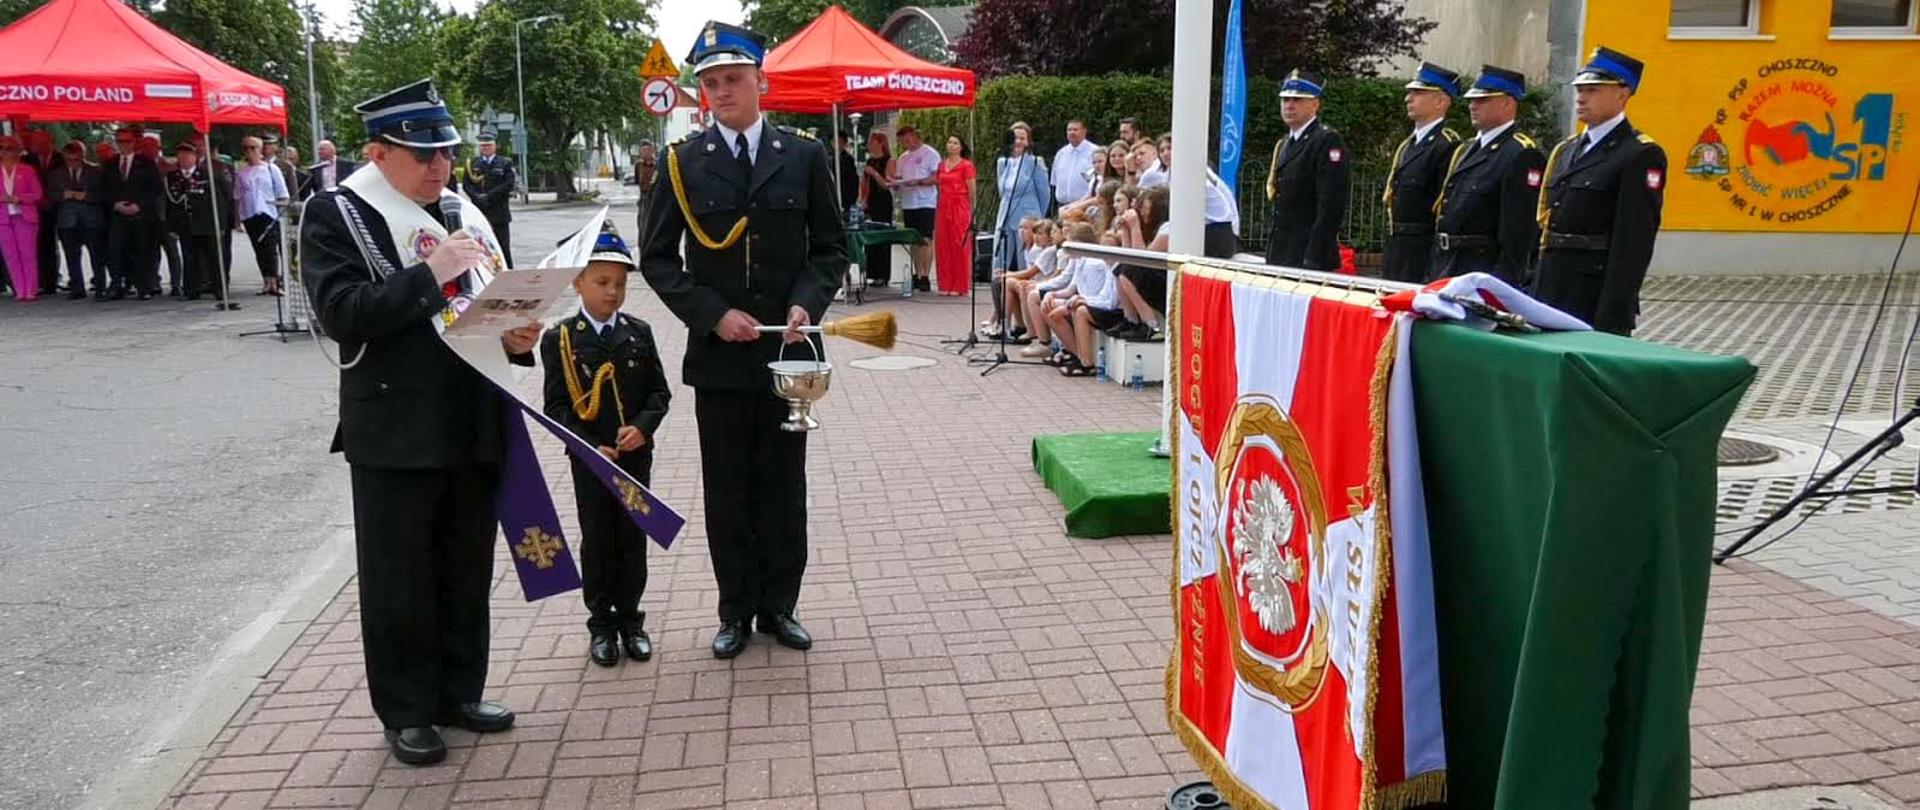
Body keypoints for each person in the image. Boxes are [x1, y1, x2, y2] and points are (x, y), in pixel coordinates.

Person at [301, 78, 539, 766]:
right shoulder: (338, 213)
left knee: (465, 566)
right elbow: (343, 313)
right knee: (400, 576)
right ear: (378, 152)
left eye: (445, 152)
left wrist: (521, 335)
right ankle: (407, 711)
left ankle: (460, 692)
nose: (439, 166)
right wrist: (431, 273)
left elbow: (496, 302)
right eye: (421, 154)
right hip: (397, 428)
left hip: (473, 414)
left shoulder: (465, 210)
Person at [637, 21, 846, 660]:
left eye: (733, 79)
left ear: (762, 82)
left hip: (789, 353)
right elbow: (658, 259)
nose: (722, 92)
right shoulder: (681, 163)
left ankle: (780, 606)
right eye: (710, 83)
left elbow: (831, 248)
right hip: (722, 354)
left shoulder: (804, 155)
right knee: (727, 489)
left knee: (785, 486)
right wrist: (712, 314)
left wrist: (807, 303)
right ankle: (734, 609)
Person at [541, 227, 671, 668]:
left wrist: (642, 428)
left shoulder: (639, 332)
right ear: (577, 282)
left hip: (634, 458)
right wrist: (589, 444)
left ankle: (632, 620)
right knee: (597, 539)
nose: (613, 292)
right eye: (602, 282)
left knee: (632, 539)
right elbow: (556, 406)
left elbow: (659, 394)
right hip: (591, 461)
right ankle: (601, 624)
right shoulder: (560, 338)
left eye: (620, 283)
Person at [1534, 47, 1666, 336]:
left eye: (1592, 90)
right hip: (1551, 288)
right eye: (1579, 89)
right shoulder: (1568, 150)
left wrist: (1614, 311)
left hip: (1592, 294)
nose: (1581, 98)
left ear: (1623, 93)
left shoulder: (1639, 154)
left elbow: (1633, 243)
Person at [1433, 65, 1546, 285]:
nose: (1473, 106)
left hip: (1483, 271)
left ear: (1507, 103)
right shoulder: (1466, 150)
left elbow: (1519, 233)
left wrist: (1500, 284)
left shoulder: (1520, 153)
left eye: (1482, 100)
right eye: (1472, 100)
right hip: (1448, 264)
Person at [1381, 62, 1463, 283]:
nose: (1408, 99)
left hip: (1423, 252)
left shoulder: (1447, 146)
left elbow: (1444, 210)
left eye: (1418, 93)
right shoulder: (1408, 145)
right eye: (1410, 93)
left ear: (1440, 101)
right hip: (1397, 249)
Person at [1264, 69, 1350, 272]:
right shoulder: (1285, 143)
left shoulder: (1326, 140)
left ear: (1315, 104)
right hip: (1282, 253)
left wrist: (1313, 258)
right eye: (1285, 99)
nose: (1289, 105)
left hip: (1308, 255)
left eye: (1298, 100)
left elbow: (1330, 206)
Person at [99, 126, 164, 301]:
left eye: (127, 141)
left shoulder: (145, 162)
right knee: (115, 250)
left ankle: (144, 286)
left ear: (134, 142)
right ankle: (117, 284)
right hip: (118, 215)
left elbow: (155, 188)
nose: (123, 145)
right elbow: (103, 189)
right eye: (120, 141)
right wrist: (115, 204)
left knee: (143, 250)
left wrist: (139, 205)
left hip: (141, 215)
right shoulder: (110, 164)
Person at [166, 142, 231, 305]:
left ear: (195, 157)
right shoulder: (173, 177)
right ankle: (191, 289)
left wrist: (221, 224)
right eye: (181, 155)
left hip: (206, 224)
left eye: (188, 155)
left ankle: (219, 289)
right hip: (186, 224)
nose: (184, 158)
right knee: (189, 258)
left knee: (213, 258)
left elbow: (219, 202)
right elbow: (172, 203)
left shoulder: (206, 175)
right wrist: (171, 226)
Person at [46, 141, 104, 300]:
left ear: (83, 157)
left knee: (96, 255)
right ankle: (77, 288)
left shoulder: (95, 171)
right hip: (67, 221)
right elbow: (49, 193)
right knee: (71, 255)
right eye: (69, 160)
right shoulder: (56, 173)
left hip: (91, 220)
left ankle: (100, 287)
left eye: (77, 160)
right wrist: (63, 195)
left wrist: (87, 196)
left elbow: (104, 194)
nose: (73, 163)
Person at [992, 122, 1049, 278]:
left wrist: (1036, 218)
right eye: (1015, 137)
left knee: (1024, 259)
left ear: (1028, 141)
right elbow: (1002, 192)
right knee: (999, 256)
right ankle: (998, 291)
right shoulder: (1003, 163)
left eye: (1022, 138)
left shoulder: (1035, 162)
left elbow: (1044, 193)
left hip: (1027, 215)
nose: (1018, 141)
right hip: (1005, 215)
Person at [235, 136, 291, 296]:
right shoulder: (243, 172)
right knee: (259, 248)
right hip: (250, 214)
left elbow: (283, 193)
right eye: (246, 148)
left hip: (270, 213)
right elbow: (237, 197)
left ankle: (275, 281)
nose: (249, 151)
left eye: (253, 148)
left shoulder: (271, 169)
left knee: (270, 248)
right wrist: (238, 220)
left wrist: (282, 213)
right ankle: (266, 280)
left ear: (260, 150)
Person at [891, 126, 940, 293]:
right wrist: (895, 184)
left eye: (907, 140)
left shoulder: (930, 153)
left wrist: (918, 182)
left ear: (915, 136)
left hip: (925, 202)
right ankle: (917, 273)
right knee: (913, 240)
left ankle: (926, 275)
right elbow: (899, 178)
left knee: (926, 239)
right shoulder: (903, 158)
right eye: (902, 142)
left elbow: (937, 177)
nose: (905, 144)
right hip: (909, 203)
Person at [0, 135, 45, 301]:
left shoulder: (27, 170)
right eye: (1, 148)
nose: (4, 152)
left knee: (28, 253)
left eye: (9, 148)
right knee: (10, 255)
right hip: (3, 218)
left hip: (24, 216)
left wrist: (20, 198)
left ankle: (30, 289)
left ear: (17, 150)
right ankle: (19, 289)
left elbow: (38, 194)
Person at [462, 133, 517, 268]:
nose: (485, 148)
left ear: (495, 146)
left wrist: (489, 196)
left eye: (488, 145)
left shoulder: (505, 163)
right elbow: (466, 184)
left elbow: (509, 184)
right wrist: (476, 197)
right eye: (483, 146)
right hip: (480, 211)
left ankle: (507, 272)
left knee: (502, 246)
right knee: (481, 246)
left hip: (499, 211)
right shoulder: (473, 163)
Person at [934, 134, 976, 297]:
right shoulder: (941, 165)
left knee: (960, 244)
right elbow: (939, 185)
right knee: (943, 244)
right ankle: (945, 284)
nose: (951, 145)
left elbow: (971, 190)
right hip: (944, 205)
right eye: (949, 142)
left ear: (961, 147)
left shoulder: (966, 165)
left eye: (955, 143)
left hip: (959, 205)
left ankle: (961, 285)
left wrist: (969, 209)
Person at [857, 131, 895, 288]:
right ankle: (872, 273)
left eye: (872, 142)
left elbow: (887, 184)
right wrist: (863, 199)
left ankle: (883, 274)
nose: (869, 145)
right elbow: (864, 183)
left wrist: (874, 173)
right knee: (870, 236)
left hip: (883, 201)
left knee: (882, 236)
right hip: (871, 201)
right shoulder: (870, 161)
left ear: (881, 143)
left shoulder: (889, 160)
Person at [1051, 119, 1097, 210]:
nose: (1072, 132)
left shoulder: (1094, 152)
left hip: (1085, 206)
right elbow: (1054, 182)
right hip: (1062, 207)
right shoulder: (1061, 153)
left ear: (1084, 132)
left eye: (1075, 130)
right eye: (1069, 130)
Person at [832, 132, 859, 212]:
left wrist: (852, 197)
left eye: (839, 142)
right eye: (834, 141)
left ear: (844, 143)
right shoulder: (828, 157)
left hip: (845, 195)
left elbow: (853, 179)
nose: (836, 144)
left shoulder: (849, 159)